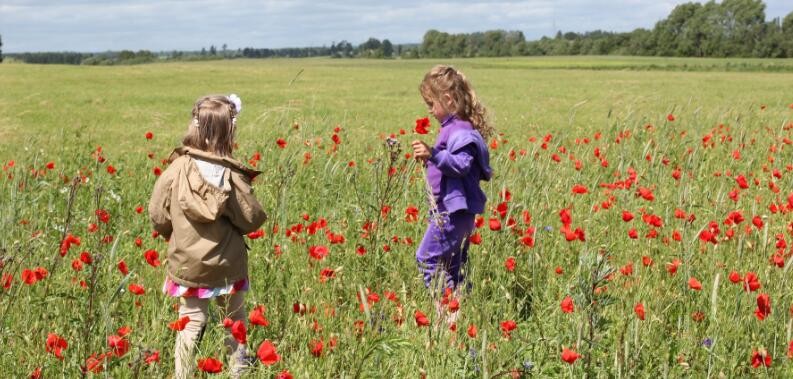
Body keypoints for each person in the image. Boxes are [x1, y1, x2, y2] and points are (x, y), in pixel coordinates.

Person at [149, 94, 267, 378]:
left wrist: (173, 233)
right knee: (234, 319)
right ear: (229, 130)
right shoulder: (231, 175)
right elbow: (251, 219)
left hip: (188, 263)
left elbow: (158, 215)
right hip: (228, 263)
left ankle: (183, 376)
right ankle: (238, 371)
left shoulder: (176, 169)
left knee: (190, 321)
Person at [410, 65, 493, 317]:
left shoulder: (461, 131)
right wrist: (433, 159)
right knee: (453, 268)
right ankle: (460, 318)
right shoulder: (454, 127)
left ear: (447, 99)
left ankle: (448, 315)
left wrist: (433, 154)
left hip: (452, 213)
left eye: (431, 104)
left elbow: (461, 165)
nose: (430, 110)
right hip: (454, 213)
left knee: (427, 259)